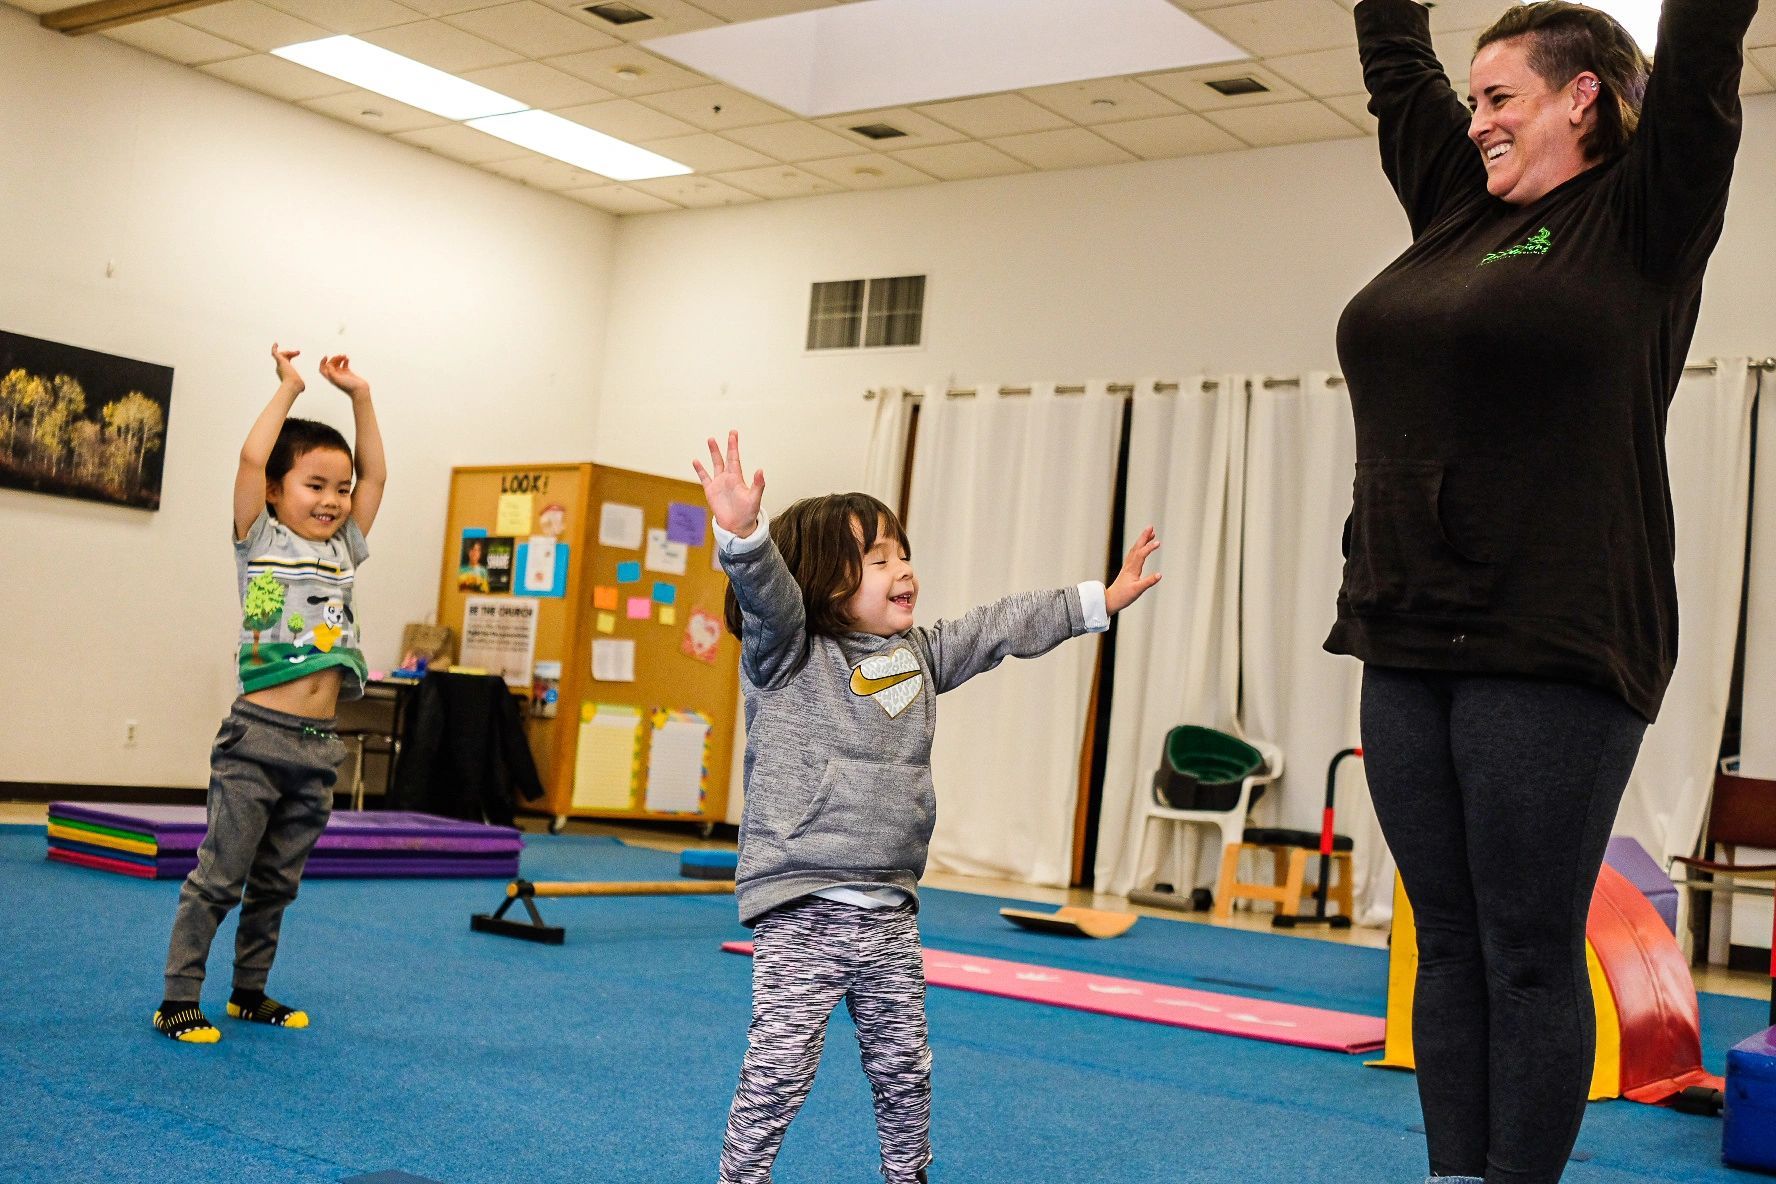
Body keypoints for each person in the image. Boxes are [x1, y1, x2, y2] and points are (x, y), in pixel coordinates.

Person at [1329, 0, 1758, 1179]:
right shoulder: (1458, 207)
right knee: (1449, 946)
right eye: (1472, 102)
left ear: (1581, 98)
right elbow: (1390, 57)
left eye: (1501, 98)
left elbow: (1708, 48)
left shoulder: (1642, 218)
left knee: (1527, 949)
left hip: (1556, 635)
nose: (1476, 124)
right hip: (1405, 627)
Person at [695, 431, 1159, 1184]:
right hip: (804, 900)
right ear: (824, 580)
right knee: (781, 1068)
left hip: (888, 909)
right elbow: (769, 601)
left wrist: (1095, 602)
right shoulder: (789, 657)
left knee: (905, 1070)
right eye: (876, 559)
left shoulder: (919, 656)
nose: (901, 568)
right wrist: (744, 535)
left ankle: (907, 1177)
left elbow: (998, 627)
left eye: (901, 552)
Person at [153, 343, 387, 1043]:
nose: (334, 499)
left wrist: (361, 396)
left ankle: (248, 991)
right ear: (279, 493)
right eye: (315, 485)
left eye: (339, 489)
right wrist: (288, 388)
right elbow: (252, 460)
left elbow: (377, 474)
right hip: (256, 737)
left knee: (278, 883)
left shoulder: (345, 546)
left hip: (319, 749)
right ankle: (178, 997)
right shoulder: (257, 540)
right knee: (221, 876)